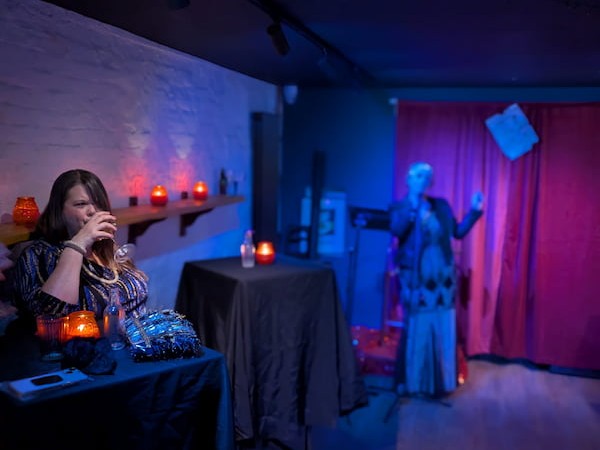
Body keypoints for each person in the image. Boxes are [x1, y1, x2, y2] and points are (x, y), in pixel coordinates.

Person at [389, 162, 483, 397]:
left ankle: (442, 382)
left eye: (427, 177)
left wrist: (474, 211)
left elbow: (457, 233)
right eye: (419, 176)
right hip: (416, 276)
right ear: (408, 179)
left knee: (442, 326)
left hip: (443, 277)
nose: (423, 180)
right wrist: (413, 207)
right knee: (417, 327)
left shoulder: (441, 205)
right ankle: (411, 382)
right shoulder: (398, 207)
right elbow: (397, 230)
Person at [13, 169, 148, 326]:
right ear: (60, 211)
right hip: (96, 341)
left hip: (143, 335)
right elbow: (52, 314)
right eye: (81, 204)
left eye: (98, 203)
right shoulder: (39, 255)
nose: (93, 211)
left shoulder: (105, 248)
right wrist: (78, 243)